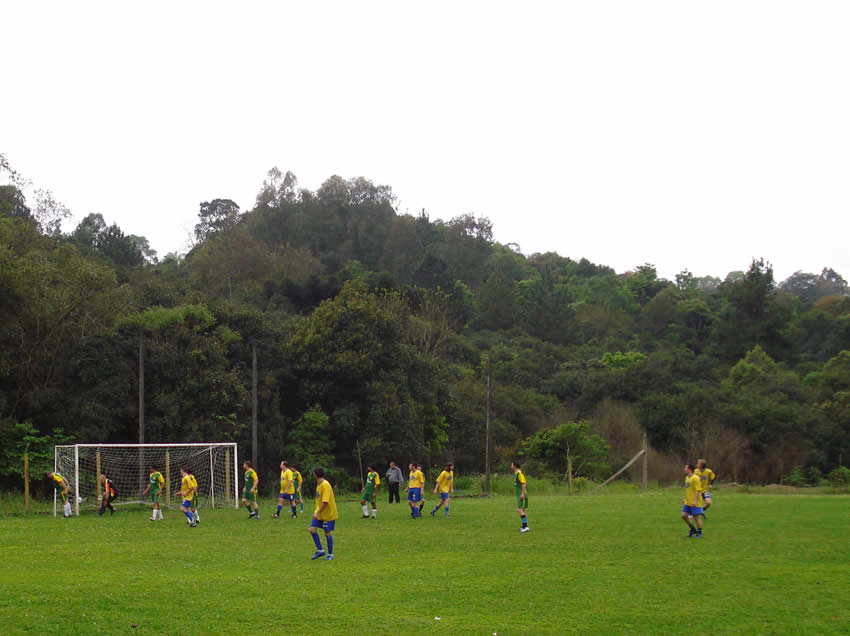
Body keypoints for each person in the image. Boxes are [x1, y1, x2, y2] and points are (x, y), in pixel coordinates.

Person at [309, 467, 338, 561]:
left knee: (327, 533)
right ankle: (320, 550)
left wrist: (317, 513)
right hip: (319, 513)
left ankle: (330, 554)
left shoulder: (325, 485)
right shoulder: (319, 483)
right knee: (312, 530)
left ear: (315, 474)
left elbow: (325, 502)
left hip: (328, 514)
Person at [682, 463, 704, 538]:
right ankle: (693, 529)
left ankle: (700, 533)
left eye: (685, 468)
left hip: (695, 502)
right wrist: (685, 498)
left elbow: (698, 490)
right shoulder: (687, 477)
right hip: (688, 501)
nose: (684, 469)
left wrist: (695, 500)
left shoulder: (696, 478)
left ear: (690, 469)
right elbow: (687, 489)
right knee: (684, 516)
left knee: (696, 517)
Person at [511, 461, 529, 532]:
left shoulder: (519, 474)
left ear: (515, 466)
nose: (511, 466)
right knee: (523, 510)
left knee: (519, 510)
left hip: (522, 495)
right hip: (520, 494)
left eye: (511, 465)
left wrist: (522, 494)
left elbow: (524, 483)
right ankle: (524, 526)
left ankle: (525, 526)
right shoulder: (516, 473)